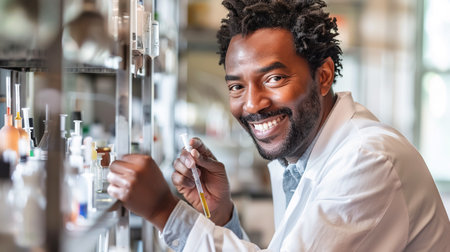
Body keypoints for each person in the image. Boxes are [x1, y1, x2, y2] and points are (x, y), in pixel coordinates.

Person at [107, 0, 450, 251]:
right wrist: (221, 215)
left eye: (274, 78)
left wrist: (164, 210)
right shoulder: (296, 159)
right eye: (237, 86)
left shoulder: (367, 159)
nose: (253, 103)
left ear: (324, 75)